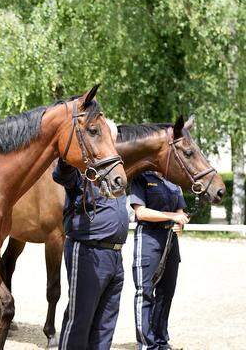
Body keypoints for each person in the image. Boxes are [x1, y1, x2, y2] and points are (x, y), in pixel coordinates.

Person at [55, 123, 129, 350]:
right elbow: (61, 173)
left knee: (105, 323)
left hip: (115, 255)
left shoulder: (115, 169)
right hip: (88, 251)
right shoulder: (81, 168)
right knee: (80, 318)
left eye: (111, 139)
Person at [130, 171, 189, 350]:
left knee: (166, 292)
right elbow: (141, 212)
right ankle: (147, 345)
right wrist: (172, 217)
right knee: (145, 292)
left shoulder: (174, 180)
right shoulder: (141, 178)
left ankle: (161, 341)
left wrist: (181, 222)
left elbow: (180, 211)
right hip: (149, 237)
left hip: (171, 240)